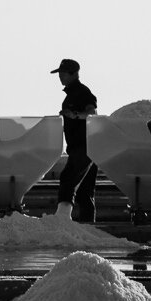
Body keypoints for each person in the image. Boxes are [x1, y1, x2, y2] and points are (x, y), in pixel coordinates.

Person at [51, 58, 99, 222]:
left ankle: (62, 218)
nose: (60, 77)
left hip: (84, 147)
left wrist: (75, 116)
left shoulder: (83, 93)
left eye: (63, 74)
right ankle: (88, 227)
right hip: (84, 148)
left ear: (73, 74)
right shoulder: (72, 94)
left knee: (68, 179)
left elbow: (92, 114)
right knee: (85, 193)